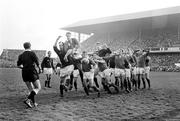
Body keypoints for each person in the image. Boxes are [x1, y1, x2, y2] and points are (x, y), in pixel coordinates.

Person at [17, 42, 41, 108]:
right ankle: (28, 100)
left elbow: (18, 65)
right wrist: (40, 69)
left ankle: (34, 103)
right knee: (38, 88)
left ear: (24, 47)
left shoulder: (21, 55)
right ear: (30, 46)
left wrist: (24, 67)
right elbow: (37, 62)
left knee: (31, 90)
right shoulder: (32, 53)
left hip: (24, 72)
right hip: (32, 72)